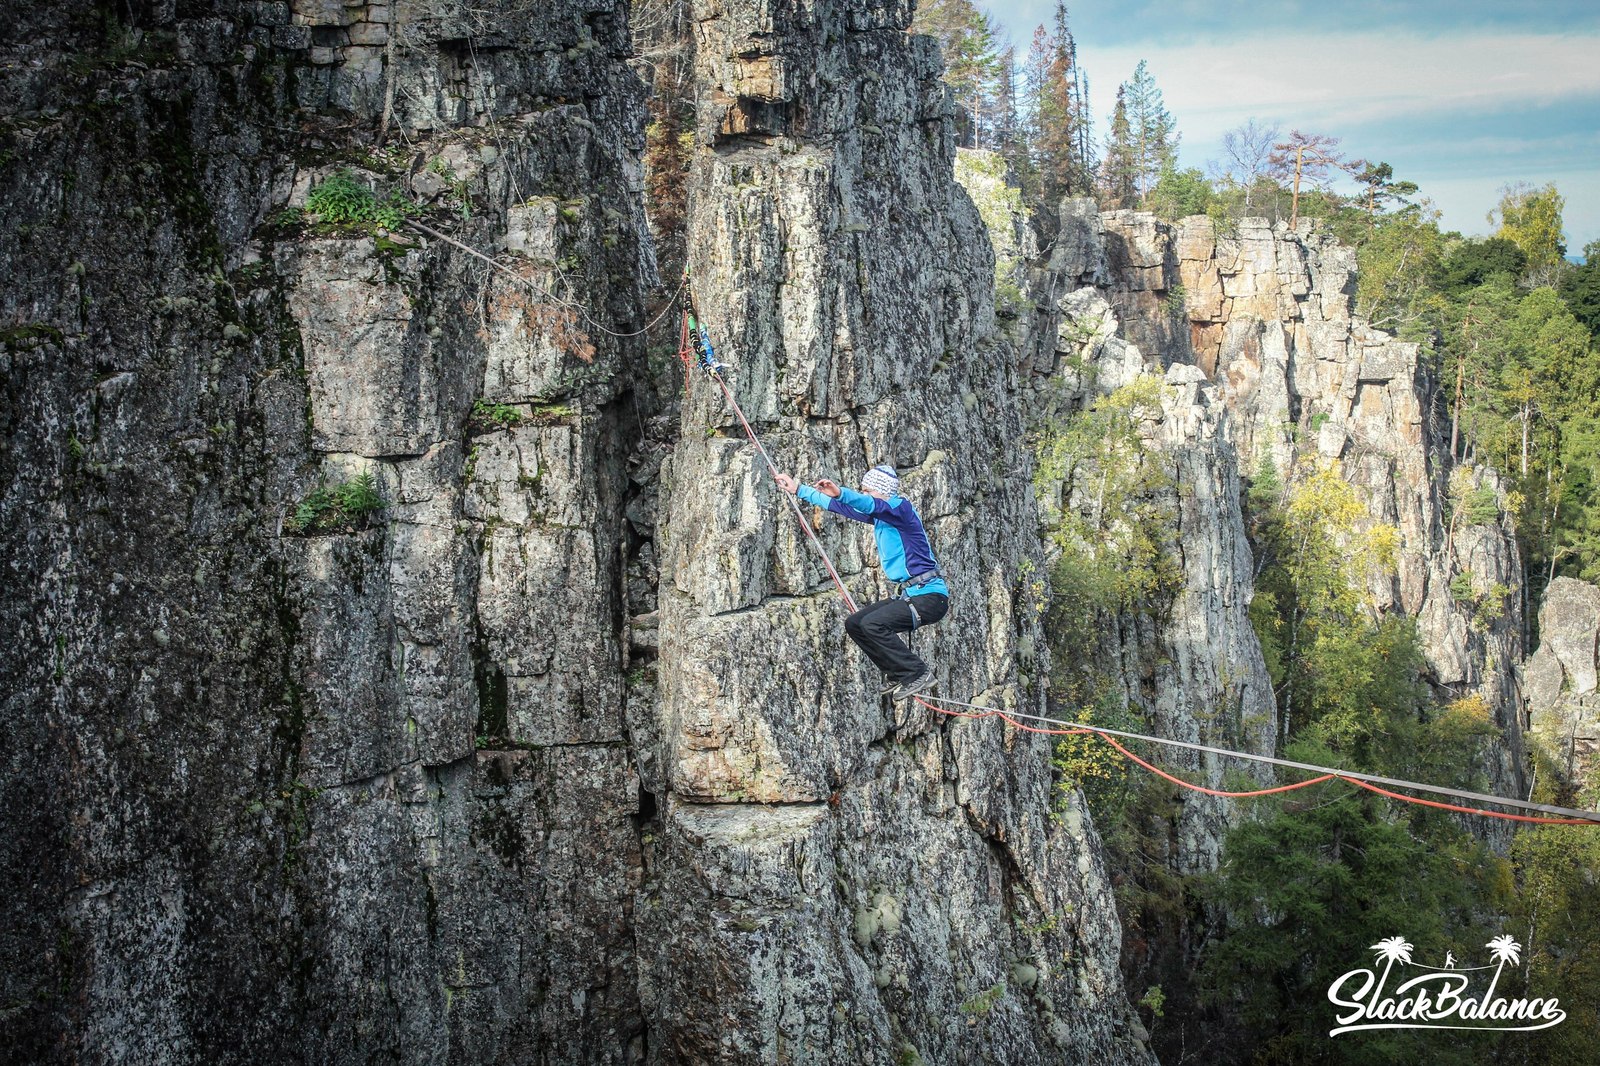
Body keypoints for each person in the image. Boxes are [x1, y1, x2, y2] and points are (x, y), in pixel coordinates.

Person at [773, 464, 948, 699]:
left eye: (867, 490)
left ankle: (915, 673)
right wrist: (798, 489)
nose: (864, 495)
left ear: (882, 491)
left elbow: (865, 503)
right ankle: (897, 672)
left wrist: (842, 492)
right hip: (914, 594)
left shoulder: (900, 508)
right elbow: (838, 507)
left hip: (929, 597)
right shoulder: (882, 517)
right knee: (855, 623)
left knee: (873, 625)